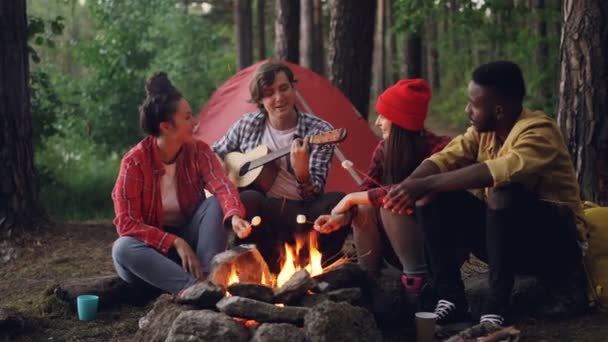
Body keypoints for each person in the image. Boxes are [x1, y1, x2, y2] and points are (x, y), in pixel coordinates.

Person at [382, 61, 586, 333]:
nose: (467, 110)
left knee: (503, 194)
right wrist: (411, 186)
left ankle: (496, 306)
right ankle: (451, 298)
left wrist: (426, 183)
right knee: (430, 195)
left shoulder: (539, 132)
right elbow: (445, 157)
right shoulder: (483, 133)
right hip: (508, 243)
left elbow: (500, 170)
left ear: (498, 110)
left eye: (473, 105)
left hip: (554, 247)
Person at [111, 72, 251, 294]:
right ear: (167, 127)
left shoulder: (199, 151)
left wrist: (233, 214)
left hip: (192, 248)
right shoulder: (134, 163)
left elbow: (222, 185)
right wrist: (174, 241)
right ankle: (196, 288)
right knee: (122, 248)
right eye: (187, 117)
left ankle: (209, 278)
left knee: (215, 203)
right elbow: (126, 223)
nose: (194, 122)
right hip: (153, 255)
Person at [313, 79, 450, 302]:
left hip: (435, 246)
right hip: (394, 248)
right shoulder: (385, 149)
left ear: (400, 121)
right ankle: (370, 281)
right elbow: (366, 191)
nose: (377, 122)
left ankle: (418, 287)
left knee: (390, 203)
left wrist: (349, 198)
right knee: (366, 206)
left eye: (384, 116)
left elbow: (404, 193)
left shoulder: (440, 148)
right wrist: (342, 216)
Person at [212, 61, 349, 273]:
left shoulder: (320, 130)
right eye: (269, 93)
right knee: (247, 199)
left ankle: (319, 267)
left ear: (294, 88)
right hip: (267, 215)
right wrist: (222, 169)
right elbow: (212, 154)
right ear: (260, 99)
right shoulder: (247, 124)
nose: (278, 98)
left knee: (340, 202)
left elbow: (314, 194)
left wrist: (303, 174)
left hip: (304, 212)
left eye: (284, 88)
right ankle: (263, 266)